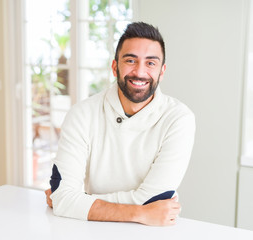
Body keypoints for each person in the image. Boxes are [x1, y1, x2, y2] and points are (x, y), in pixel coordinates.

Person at [45, 22, 196, 226]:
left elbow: (154, 200)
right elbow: (63, 198)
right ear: (115, 67)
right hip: (92, 229)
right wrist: (141, 213)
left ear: (162, 71)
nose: (140, 72)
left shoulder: (179, 119)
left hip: (152, 232)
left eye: (150, 63)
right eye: (131, 60)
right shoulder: (82, 114)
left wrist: (77, 201)